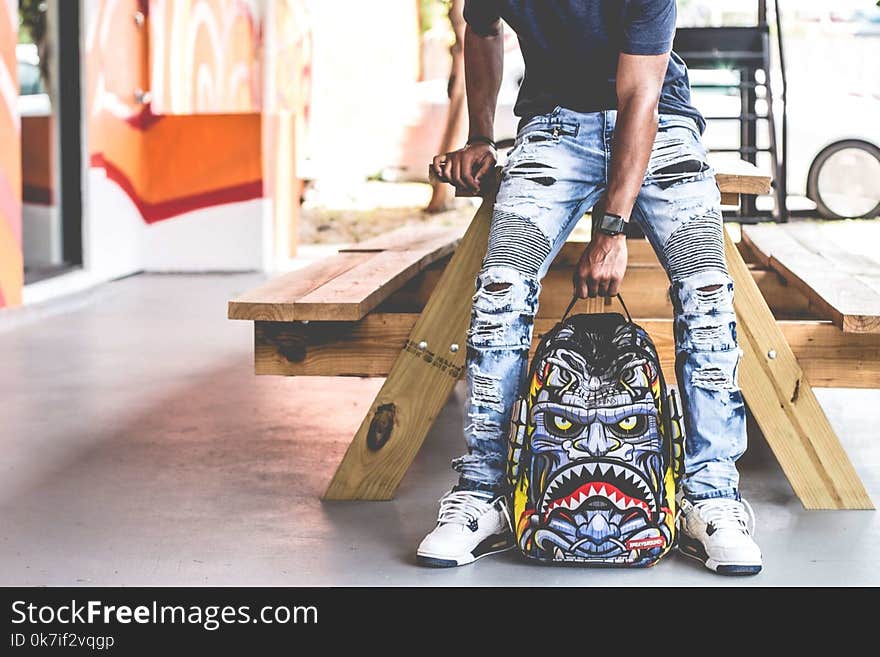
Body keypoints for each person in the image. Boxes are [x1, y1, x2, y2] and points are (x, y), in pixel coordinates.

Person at [418, 0, 762, 576]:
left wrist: (613, 227)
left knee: (707, 297)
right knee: (500, 290)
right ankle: (484, 493)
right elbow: (480, 30)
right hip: (554, 127)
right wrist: (481, 135)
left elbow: (640, 97)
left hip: (660, 125)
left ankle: (711, 498)